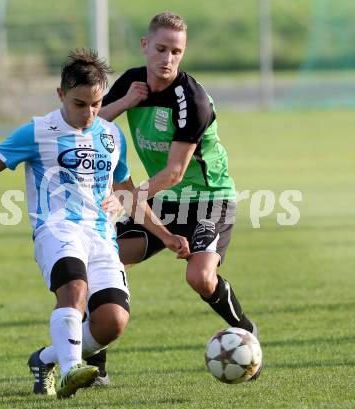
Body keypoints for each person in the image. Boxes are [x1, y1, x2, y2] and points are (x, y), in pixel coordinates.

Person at [0, 48, 189, 399]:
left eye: (96, 104)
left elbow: (127, 192)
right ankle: (70, 371)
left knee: (112, 322)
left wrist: (165, 235)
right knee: (75, 291)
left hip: (101, 236)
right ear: (61, 95)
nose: (89, 113)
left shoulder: (112, 136)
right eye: (79, 104)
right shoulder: (38, 131)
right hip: (56, 230)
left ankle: (46, 359)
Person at [84, 12, 259, 382]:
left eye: (176, 52)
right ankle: (93, 363)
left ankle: (246, 333)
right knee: (105, 262)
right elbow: (91, 124)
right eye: (161, 48)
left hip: (208, 199)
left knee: (199, 278)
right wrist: (124, 102)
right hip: (163, 200)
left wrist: (129, 199)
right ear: (146, 45)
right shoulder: (131, 82)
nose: (167, 59)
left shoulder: (191, 99)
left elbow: (175, 172)